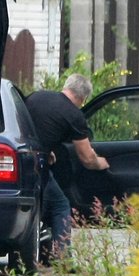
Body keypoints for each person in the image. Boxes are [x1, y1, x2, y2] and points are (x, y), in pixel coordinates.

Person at [25, 73, 110, 262]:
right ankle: (62, 257)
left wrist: (47, 151)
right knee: (60, 205)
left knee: (40, 204)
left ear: (66, 86)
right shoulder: (74, 115)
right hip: (38, 168)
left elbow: (34, 129)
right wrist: (101, 163)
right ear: (83, 98)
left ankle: (43, 250)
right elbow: (87, 158)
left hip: (21, 160)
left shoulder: (36, 97)